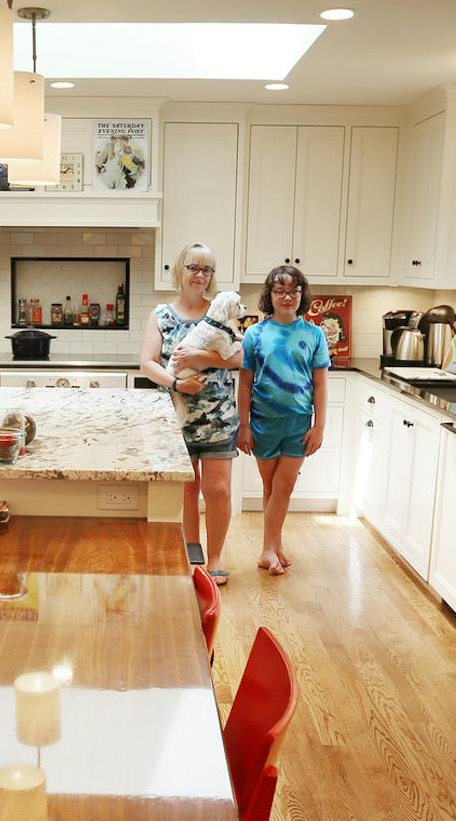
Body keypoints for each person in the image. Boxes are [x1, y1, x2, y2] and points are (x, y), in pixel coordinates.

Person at [140, 243, 240, 582]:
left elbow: (241, 358)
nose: (200, 275)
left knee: (218, 491)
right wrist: (177, 384)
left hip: (218, 418)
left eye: (207, 270)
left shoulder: (222, 311)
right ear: (180, 270)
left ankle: (214, 559)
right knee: (185, 488)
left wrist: (201, 359)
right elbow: (147, 363)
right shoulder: (161, 315)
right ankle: (188, 553)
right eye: (194, 267)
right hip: (175, 417)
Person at [236, 263, 327, 576]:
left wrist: (319, 426)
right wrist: (244, 425)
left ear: (302, 295)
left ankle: (267, 549)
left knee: (284, 485)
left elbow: (320, 383)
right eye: (280, 292)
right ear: (269, 295)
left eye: (293, 291)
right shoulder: (255, 334)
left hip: (299, 422)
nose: (287, 297)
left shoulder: (314, 334)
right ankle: (273, 545)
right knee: (271, 487)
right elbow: (245, 383)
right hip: (263, 421)